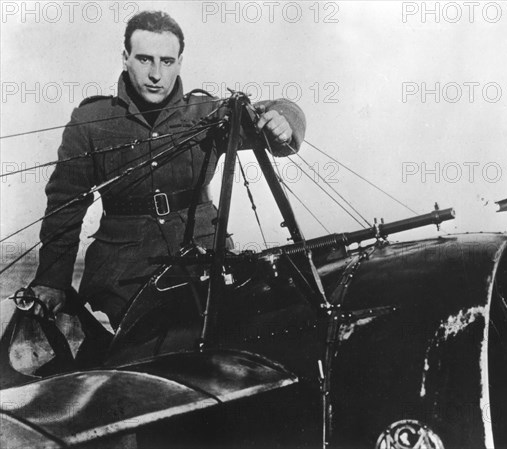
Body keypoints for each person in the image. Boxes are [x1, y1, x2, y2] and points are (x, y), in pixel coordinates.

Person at [28, 10, 306, 329]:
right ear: (125, 58)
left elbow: (278, 110)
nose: (156, 74)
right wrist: (52, 280)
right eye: (145, 59)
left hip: (204, 265)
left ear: (180, 62)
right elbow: (65, 204)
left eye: (167, 61)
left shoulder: (208, 113)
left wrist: (283, 120)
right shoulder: (90, 121)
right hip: (122, 279)